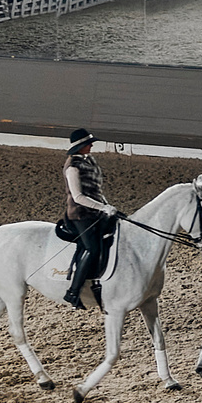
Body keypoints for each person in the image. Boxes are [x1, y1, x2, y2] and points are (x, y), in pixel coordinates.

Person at [59, 128, 120, 310]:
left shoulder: (89, 160)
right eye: (88, 144)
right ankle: (73, 292)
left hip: (96, 211)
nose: (91, 146)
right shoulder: (72, 167)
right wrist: (103, 207)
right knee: (91, 248)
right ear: (80, 146)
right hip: (80, 214)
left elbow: (96, 191)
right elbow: (78, 197)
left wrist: (107, 206)